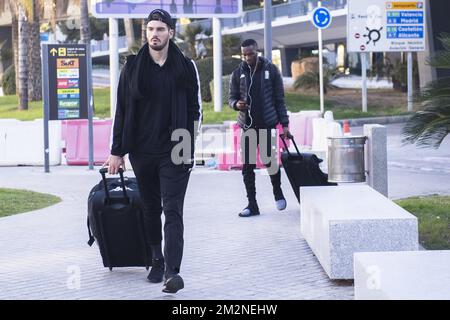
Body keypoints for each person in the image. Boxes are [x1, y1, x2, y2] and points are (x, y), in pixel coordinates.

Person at [103, 8, 202, 294]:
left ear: (171, 32)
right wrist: (117, 151)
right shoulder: (132, 67)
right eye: (150, 30)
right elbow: (121, 111)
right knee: (150, 209)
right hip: (142, 151)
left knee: (173, 210)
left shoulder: (186, 66)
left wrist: (189, 147)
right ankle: (156, 259)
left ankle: (172, 271)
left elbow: (196, 111)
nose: (154, 35)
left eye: (160, 29)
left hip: (176, 150)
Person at [228, 39, 291, 218]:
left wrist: (284, 125)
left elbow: (280, 100)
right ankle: (252, 204)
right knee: (247, 166)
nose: (247, 58)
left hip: (267, 124)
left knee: (270, 161)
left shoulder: (271, 70)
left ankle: (277, 192)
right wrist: (236, 104)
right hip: (247, 126)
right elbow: (231, 97)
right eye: (244, 55)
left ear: (257, 51)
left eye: (251, 54)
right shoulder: (237, 73)